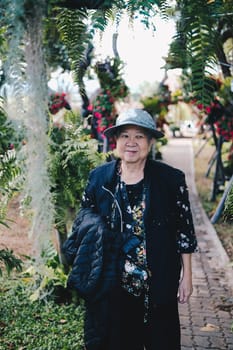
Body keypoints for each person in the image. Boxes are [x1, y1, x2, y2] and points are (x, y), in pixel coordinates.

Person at [63, 108, 197, 350]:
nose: (131, 143)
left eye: (139, 136)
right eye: (125, 136)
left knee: (162, 341)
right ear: (116, 141)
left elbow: (184, 230)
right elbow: (82, 221)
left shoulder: (171, 180)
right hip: (113, 284)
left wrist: (186, 275)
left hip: (159, 281)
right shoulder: (99, 179)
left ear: (150, 141)